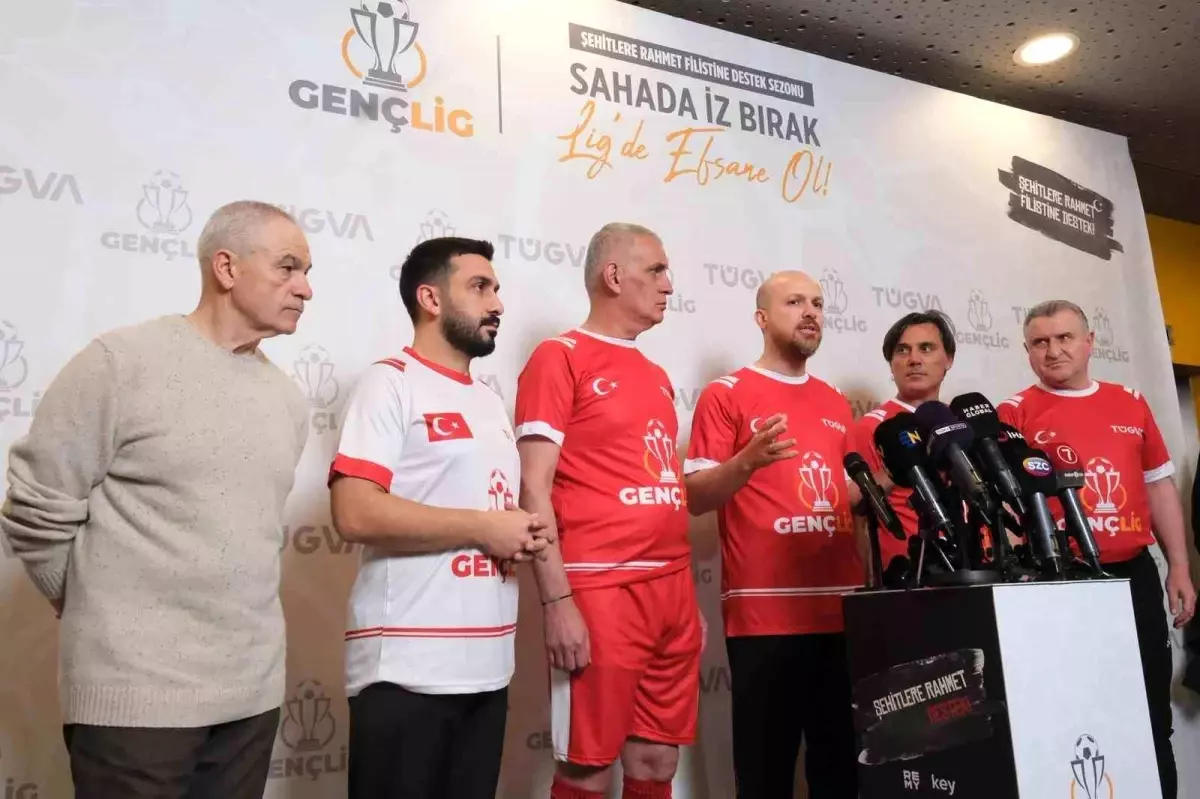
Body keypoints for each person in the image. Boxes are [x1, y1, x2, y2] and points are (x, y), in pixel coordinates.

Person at [0, 201, 313, 798]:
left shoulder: (285, 399)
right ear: (227, 267)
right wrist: (89, 602)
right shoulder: (120, 364)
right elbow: (36, 506)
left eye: (306, 272)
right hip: (134, 702)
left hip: (250, 700)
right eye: (287, 267)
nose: (305, 288)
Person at [328, 236, 550, 799]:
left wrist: (517, 529)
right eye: (479, 287)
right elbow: (354, 511)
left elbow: (485, 510)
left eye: (496, 289)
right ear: (430, 298)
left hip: (487, 669)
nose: (497, 303)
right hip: (407, 671)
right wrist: (483, 527)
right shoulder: (389, 382)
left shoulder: (488, 401)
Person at [514, 222, 700, 799]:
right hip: (600, 588)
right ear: (614, 276)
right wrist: (557, 602)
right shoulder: (559, 357)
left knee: (656, 759)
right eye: (656, 270)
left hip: (672, 589)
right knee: (587, 765)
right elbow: (533, 488)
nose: (669, 284)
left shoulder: (656, 375)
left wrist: (682, 600)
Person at [998, 299, 1196, 799]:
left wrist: (1178, 567)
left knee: (1152, 714)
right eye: (1040, 342)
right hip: (1059, 584)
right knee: (1074, 716)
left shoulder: (1130, 402)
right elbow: (1006, 510)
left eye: (1064, 338)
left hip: (1134, 576)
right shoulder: (1013, 413)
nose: (1053, 350)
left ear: (1090, 342)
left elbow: (1158, 486)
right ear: (1027, 351)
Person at [683, 270, 861, 799]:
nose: (810, 313)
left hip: (842, 613)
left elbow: (843, 495)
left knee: (841, 775)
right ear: (762, 318)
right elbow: (696, 495)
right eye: (794, 303)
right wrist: (747, 461)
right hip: (766, 617)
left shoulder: (835, 400)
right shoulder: (727, 394)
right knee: (765, 777)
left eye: (818, 304)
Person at [852, 311, 957, 583]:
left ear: (949, 359)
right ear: (891, 364)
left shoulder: (960, 422)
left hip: (970, 573)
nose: (914, 359)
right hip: (907, 579)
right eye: (902, 350)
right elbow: (855, 509)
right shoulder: (871, 427)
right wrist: (901, 465)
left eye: (926, 348)